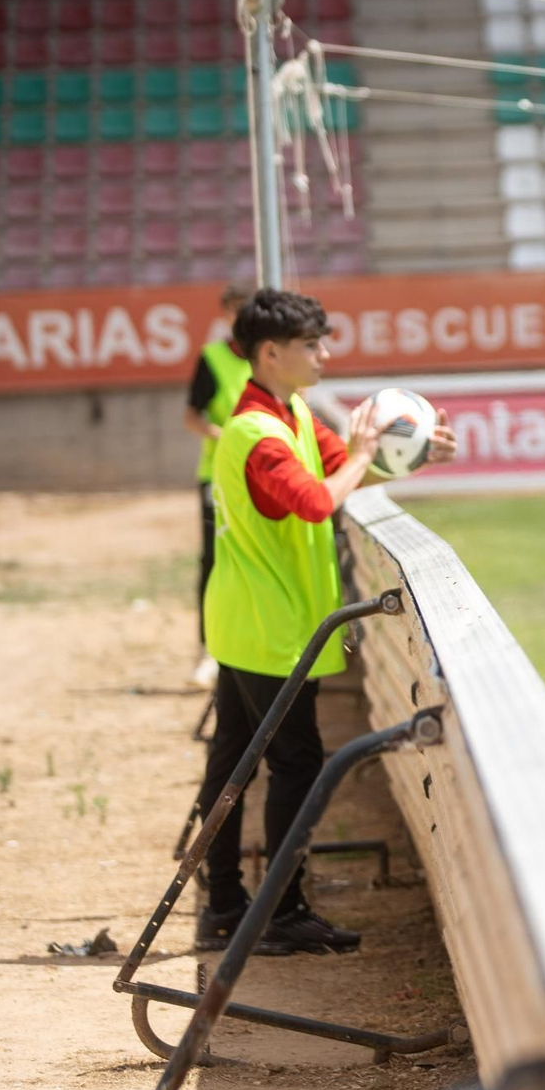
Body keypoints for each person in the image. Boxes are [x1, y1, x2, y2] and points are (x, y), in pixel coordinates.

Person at [193, 287, 457, 955]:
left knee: (235, 764)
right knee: (294, 764)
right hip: (268, 629)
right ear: (272, 353)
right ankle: (277, 912)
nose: (325, 355)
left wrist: (415, 452)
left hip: (254, 621)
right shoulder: (258, 432)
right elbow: (315, 503)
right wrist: (367, 454)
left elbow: (342, 475)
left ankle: (224, 905)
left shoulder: (292, 414)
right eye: (313, 345)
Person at [182, 280, 257, 688]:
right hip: (218, 477)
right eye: (233, 310)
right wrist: (220, 436)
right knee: (213, 562)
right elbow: (190, 415)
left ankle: (246, 645)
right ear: (225, 315)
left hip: (262, 476)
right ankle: (208, 648)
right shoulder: (212, 358)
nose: (239, 316)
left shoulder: (270, 356)